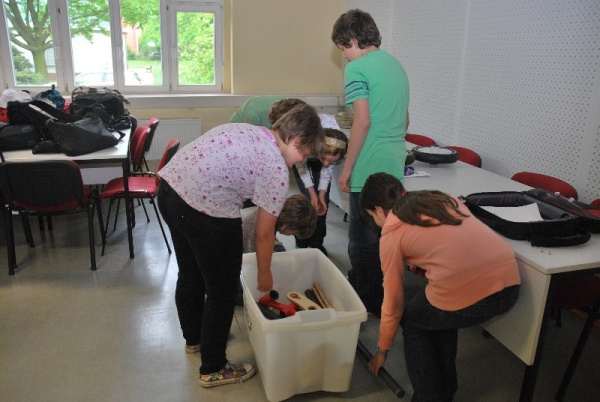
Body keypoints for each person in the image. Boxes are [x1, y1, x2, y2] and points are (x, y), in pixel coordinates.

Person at [157, 103, 323, 388]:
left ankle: (195, 339)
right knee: (222, 290)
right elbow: (264, 233)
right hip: (204, 209)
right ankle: (213, 367)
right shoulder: (276, 168)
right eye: (305, 153)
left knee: (191, 273)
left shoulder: (248, 130)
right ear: (296, 141)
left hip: (170, 191)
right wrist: (264, 273)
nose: (302, 160)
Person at [360, 172, 521, 402]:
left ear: (378, 209)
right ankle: (445, 392)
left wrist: (382, 350)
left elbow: (393, 302)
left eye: (372, 217)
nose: (375, 224)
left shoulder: (391, 234)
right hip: (510, 281)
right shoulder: (439, 198)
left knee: (413, 318)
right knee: (437, 315)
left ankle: (430, 397)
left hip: (474, 295)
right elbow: (453, 244)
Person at [331, 9, 410, 316]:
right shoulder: (396, 65)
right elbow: (405, 120)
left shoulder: (357, 69)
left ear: (353, 40)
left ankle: (368, 301)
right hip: (394, 163)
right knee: (386, 234)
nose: (344, 55)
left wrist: (348, 169)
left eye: (343, 47)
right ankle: (379, 290)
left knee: (362, 241)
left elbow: (362, 122)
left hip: (369, 163)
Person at [236, 194, 318, 306]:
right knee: (248, 297)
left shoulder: (272, 213)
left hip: (245, 240)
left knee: (281, 255)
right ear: (285, 227)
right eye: (293, 233)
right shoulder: (258, 229)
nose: (292, 235)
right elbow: (254, 262)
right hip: (227, 257)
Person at [291, 127, 348, 255]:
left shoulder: (336, 145)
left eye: (331, 161)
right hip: (304, 159)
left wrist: (321, 195)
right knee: (309, 202)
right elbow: (302, 169)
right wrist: (312, 194)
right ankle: (302, 242)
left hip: (318, 153)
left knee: (323, 204)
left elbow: (326, 172)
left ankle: (317, 243)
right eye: (324, 158)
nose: (327, 164)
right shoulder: (304, 141)